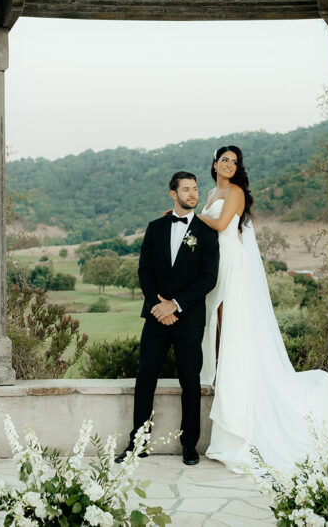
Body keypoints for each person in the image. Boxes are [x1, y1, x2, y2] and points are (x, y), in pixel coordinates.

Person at [197, 145, 328, 473]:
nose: (230, 165)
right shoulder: (210, 192)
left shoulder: (235, 193)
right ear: (214, 163)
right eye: (225, 160)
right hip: (215, 261)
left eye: (235, 162)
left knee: (230, 323)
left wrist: (189, 218)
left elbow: (221, 225)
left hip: (231, 261)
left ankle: (235, 397)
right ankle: (217, 375)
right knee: (215, 320)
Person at [115, 171, 220, 466]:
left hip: (188, 318)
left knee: (190, 380)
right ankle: (138, 443)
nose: (192, 194)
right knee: (145, 377)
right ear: (172, 194)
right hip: (156, 317)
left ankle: (189, 445)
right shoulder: (155, 227)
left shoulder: (206, 232)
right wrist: (157, 306)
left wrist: (176, 305)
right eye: (186, 189)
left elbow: (208, 278)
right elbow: (144, 270)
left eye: (195, 189)